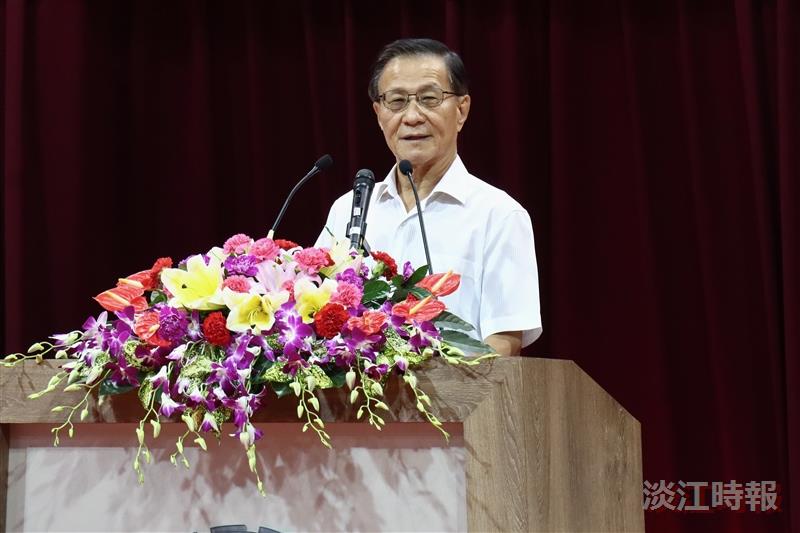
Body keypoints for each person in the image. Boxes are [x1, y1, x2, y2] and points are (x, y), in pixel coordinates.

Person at [315, 38, 541, 355]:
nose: (412, 116)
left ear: (461, 110)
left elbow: (502, 347)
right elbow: (317, 321)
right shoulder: (347, 211)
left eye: (429, 99)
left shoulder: (498, 215)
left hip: (461, 403)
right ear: (379, 114)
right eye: (396, 102)